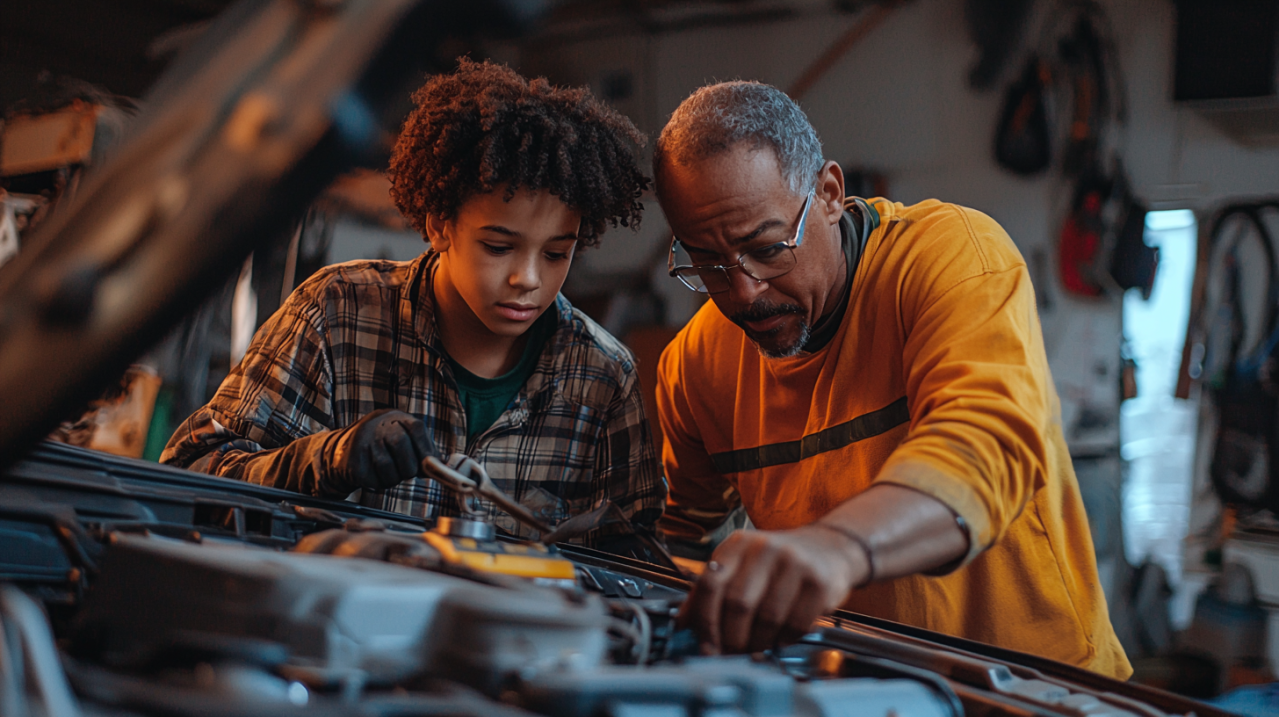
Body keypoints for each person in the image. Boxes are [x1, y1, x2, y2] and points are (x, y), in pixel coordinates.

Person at [653, 80, 1130, 678]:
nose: (744, 293)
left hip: (1036, 690)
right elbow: (683, 543)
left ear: (828, 193)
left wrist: (838, 548)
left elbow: (982, 443)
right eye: (708, 263)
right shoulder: (696, 365)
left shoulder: (952, 257)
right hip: (849, 692)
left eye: (769, 248)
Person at [161, 59, 664, 545]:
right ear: (438, 225)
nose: (527, 279)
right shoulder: (333, 315)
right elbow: (189, 476)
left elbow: (636, 562)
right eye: (497, 246)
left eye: (557, 253)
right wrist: (327, 459)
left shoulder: (604, 379)